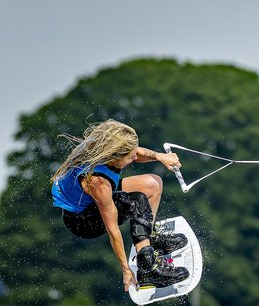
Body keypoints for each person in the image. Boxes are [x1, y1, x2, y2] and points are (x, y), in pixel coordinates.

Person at [51, 120, 190, 292]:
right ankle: (148, 269)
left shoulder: (106, 149)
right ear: (115, 156)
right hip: (82, 222)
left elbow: (134, 151)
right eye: (130, 157)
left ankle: (148, 240)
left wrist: (159, 156)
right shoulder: (98, 183)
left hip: (92, 201)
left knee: (153, 183)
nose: (134, 159)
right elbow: (112, 230)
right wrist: (125, 269)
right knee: (136, 201)